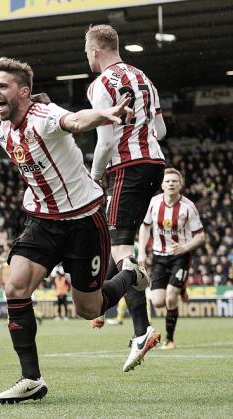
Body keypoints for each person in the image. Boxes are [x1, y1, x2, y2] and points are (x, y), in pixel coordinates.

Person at [0, 57, 147, 403]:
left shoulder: (44, 117)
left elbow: (74, 120)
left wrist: (102, 114)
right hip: (41, 221)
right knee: (14, 287)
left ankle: (129, 272)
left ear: (24, 92)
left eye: (3, 86)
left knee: (88, 309)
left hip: (83, 221)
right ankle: (31, 379)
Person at [85, 24, 165, 371]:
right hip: (155, 164)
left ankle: (141, 330)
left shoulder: (102, 84)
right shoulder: (145, 78)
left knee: (121, 251)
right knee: (120, 245)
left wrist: (94, 177)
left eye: (86, 52)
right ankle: (112, 310)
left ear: (95, 51)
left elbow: (104, 141)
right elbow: (160, 130)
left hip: (128, 167)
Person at [137, 168, 205, 349]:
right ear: (162, 184)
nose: (171, 184)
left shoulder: (188, 207)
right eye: (167, 181)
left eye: (175, 181)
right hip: (159, 256)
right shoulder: (154, 202)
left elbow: (200, 237)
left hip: (180, 256)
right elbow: (144, 227)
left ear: (180, 184)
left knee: (170, 297)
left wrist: (185, 247)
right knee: (158, 301)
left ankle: (170, 339)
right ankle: (181, 286)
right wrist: (142, 252)